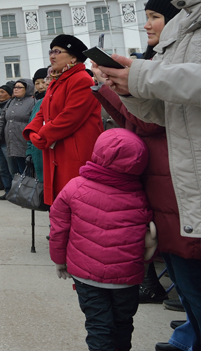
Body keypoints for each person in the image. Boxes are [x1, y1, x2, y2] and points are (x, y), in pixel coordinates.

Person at [96, 0, 201, 351]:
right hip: (187, 198)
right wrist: (128, 88)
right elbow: (166, 112)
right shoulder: (182, 22)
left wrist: (140, 75)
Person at [49, 129, 153, 351]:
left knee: (98, 326)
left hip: (88, 276)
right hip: (127, 278)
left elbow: (59, 228)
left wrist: (59, 260)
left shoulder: (75, 187)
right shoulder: (141, 194)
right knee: (123, 323)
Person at [23, 35, 103, 206]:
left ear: (73, 57)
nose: (52, 56)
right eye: (51, 51)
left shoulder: (81, 79)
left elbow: (70, 117)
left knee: (76, 199)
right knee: (60, 202)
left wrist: (43, 135)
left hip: (74, 150)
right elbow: (42, 111)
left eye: (57, 51)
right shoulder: (56, 80)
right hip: (55, 148)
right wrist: (32, 131)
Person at [0, 79, 35, 179]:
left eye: (19, 87)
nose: (16, 89)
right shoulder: (11, 102)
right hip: (11, 142)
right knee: (14, 171)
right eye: (15, 87)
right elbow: (2, 120)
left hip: (23, 141)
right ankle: (16, 192)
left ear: (27, 89)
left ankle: (26, 193)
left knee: (25, 171)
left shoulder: (32, 102)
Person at [25, 68, 48, 184]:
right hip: (37, 152)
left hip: (48, 151)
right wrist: (29, 152)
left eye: (44, 82)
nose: (40, 86)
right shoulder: (37, 103)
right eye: (37, 83)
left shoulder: (52, 100)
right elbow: (31, 127)